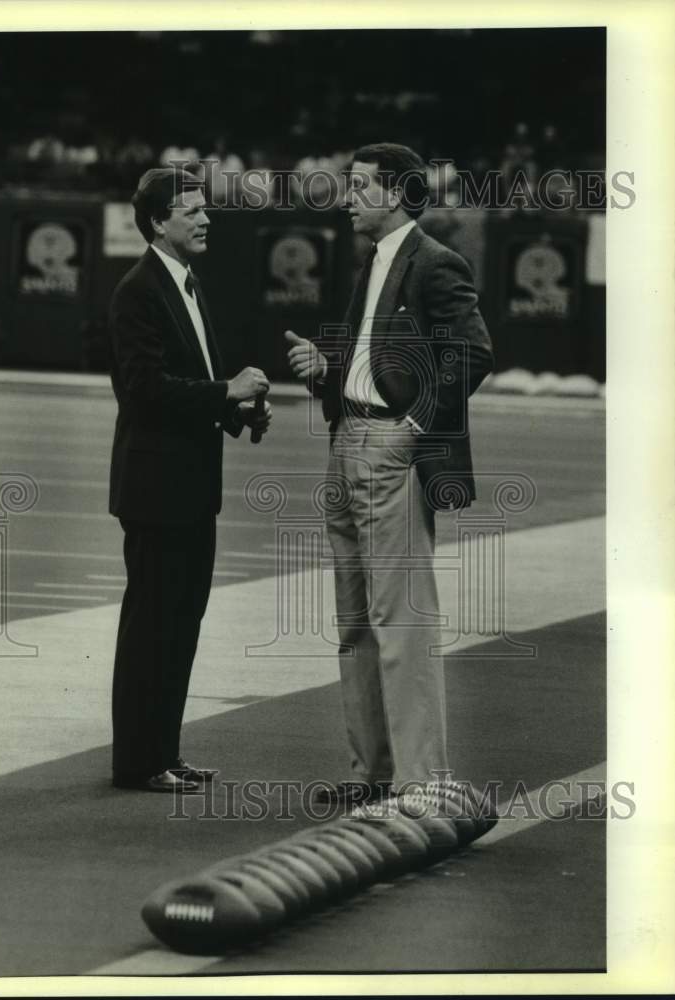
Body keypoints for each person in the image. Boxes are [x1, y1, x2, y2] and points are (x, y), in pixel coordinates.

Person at [286, 143, 493, 804]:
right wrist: (326, 370)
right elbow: (372, 362)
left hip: (387, 445)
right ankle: (374, 777)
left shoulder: (434, 262)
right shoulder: (374, 261)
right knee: (355, 624)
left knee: (399, 621)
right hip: (348, 438)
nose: (347, 198)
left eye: (360, 187)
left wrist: (413, 426)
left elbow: (473, 352)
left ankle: (419, 784)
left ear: (398, 194)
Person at [109, 166, 271, 793]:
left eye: (205, 209)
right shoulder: (139, 290)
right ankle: (138, 762)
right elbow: (144, 389)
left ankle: (164, 754)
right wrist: (226, 390)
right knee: (153, 626)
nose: (205, 219)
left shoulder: (185, 283)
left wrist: (236, 413)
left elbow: (189, 384)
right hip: (157, 490)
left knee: (180, 624)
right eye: (191, 210)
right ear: (158, 222)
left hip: (189, 488)